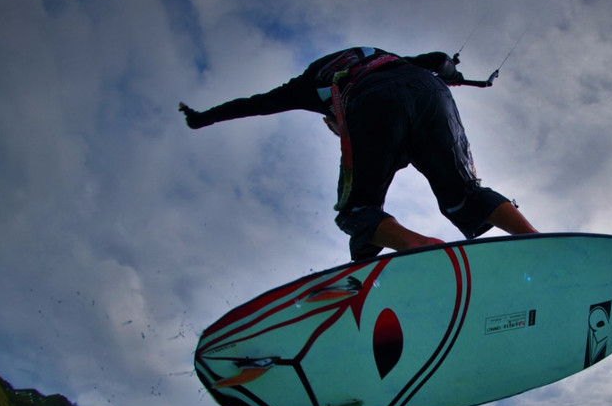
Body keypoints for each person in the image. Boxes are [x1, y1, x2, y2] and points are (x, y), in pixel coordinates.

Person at [179, 47, 537, 260]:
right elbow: (438, 59)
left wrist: (203, 118)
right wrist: (453, 74)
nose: (338, 131)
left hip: (371, 101)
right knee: (464, 193)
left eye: (335, 127)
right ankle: (533, 239)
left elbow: (254, 105)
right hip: (431, 92)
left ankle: (420, 247)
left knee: (356, 210)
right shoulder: (385, 55)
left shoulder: (306, 85)